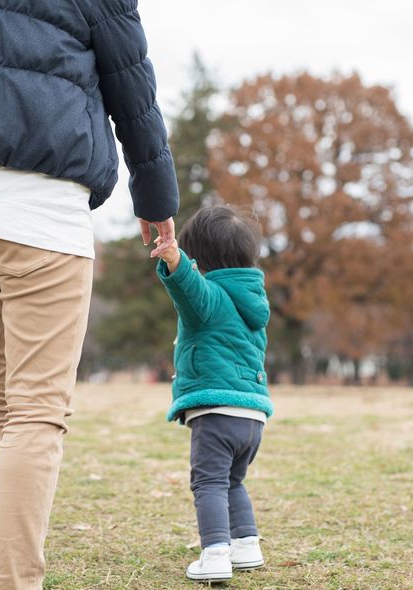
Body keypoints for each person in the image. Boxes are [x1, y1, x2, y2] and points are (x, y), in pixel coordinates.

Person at [0, 1, 179, 589]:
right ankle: (16, 582)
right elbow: (134, 92)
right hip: (39, 214)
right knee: (37, 409)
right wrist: (156, 202)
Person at [153, 206, 273, 583]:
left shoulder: (211, 298)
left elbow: (190, 288)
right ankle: (247, 544)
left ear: (199, 258)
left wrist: (174, 259)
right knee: (232, 482)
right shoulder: (254, 303)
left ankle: (215, 553)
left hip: (217, 413)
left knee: (208, 484)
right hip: (252, 418)